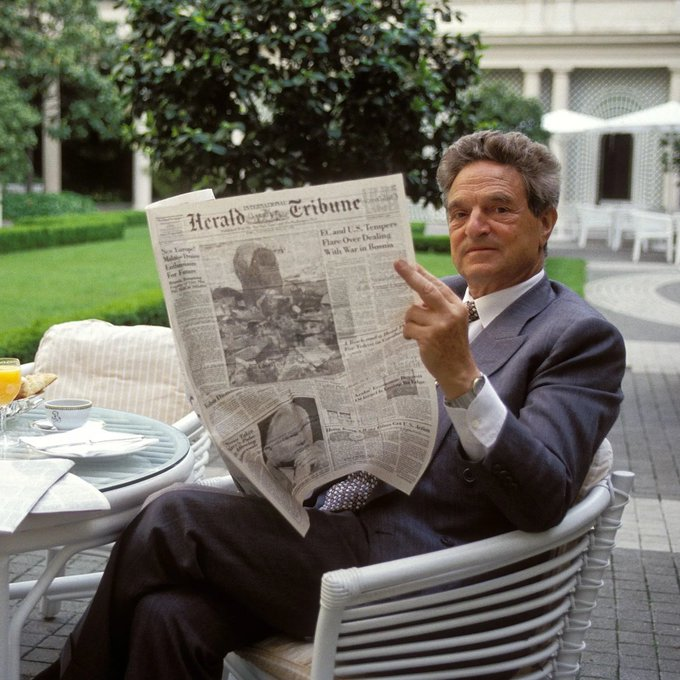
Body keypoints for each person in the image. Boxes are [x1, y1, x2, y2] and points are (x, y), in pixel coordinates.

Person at [34, 130, 625, 680]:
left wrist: (463, 380)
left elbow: (543, 498)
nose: (475, 226)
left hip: (425, 571)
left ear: (545, 222)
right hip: (328, 529)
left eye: (499, 209)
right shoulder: (430, 296)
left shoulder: (577, 336)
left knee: (174, 515)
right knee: (166, 617)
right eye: (459, 212)